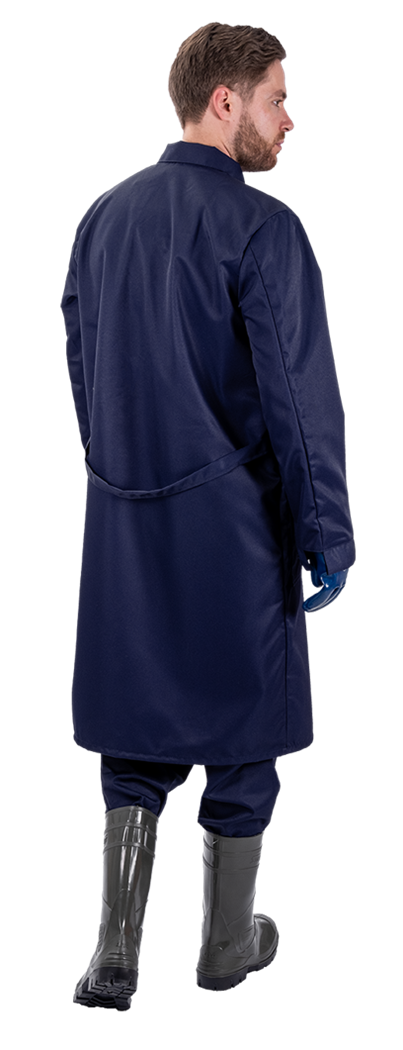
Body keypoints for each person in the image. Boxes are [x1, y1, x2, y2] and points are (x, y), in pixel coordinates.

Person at [61, 23, 355, 1008]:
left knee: (132, 738)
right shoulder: (262, 228)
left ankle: (113, 954)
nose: (288, 119)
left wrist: (119, 471)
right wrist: (327, 538)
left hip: (123, 525)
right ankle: (226, 944)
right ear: (223, 101)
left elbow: (83, 370)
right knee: (242, 737)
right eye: (276, 98)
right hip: (234, 530)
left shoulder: (102, 217)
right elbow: (300, 404)